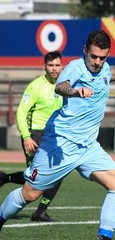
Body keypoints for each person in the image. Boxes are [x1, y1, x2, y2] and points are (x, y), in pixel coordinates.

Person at [0, 30, 115, 240]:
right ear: (84, 50)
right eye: (94, 57)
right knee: (30, 194)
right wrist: (75, 91)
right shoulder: (76, 67)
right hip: (60, 144)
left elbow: (109, 75)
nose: (97, 62)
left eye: (102, 57)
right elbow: (61, 86)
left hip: (88, 147)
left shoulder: (104, 68)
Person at [0, 50, 63, 222]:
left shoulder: (64, 87)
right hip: (34, 134)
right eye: (51, 65)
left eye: (57, 65)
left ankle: (40, 212)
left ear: (61, 66)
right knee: (36, 176)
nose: (54, 69)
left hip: (53, 136)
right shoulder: (36, 86)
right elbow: (21, 112)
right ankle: (7, 180)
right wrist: (26, 137)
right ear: (44, 67)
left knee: (59, 172)